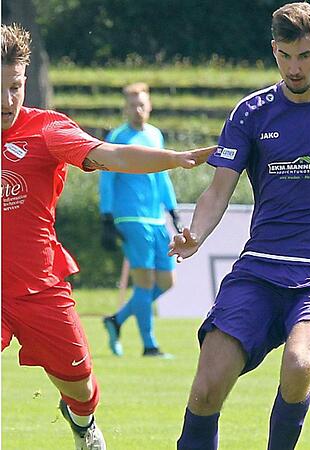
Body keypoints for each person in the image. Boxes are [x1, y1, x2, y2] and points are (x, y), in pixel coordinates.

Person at [172, 3, 310, 449]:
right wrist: (196, 233)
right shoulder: (251, 113)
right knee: (205, 387)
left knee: (299, 364)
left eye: (305, 56)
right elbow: (218, 191)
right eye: (285, 56)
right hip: (259, 271)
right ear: (274, 50)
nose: (295, 67)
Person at [1, 23, 213, 450]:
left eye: (16, 87)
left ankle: (82, 424)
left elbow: (112, 155)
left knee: (80, 386)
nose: (8, 100)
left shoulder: (46, 130)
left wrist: (176, 158)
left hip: (39, 286)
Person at [100, 82, 181, 358]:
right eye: (132, 105)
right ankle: (149, 345)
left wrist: (171, 209)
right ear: (125, 108)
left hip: (156, 219)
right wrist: (106, 217)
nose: (137, 110)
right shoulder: (117, 138)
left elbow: (163, 174)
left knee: (167, 281)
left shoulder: (155, 136)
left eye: (142, 105)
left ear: (149, 107)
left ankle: (117, 320)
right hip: (130, 217)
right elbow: (107, 178)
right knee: (144, 282)